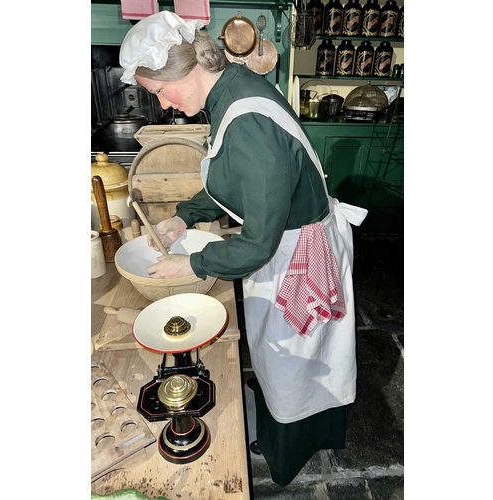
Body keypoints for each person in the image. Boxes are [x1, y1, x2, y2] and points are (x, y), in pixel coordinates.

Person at [119, 11, 367, 487]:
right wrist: (183, 216)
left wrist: (190, 263)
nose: (165, 104)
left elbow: (256, 244)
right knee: (284, 357)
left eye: (158, 91)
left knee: (294, 359)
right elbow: (235, 177)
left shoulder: (246, 118)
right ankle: (280, 428)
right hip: (289, 242)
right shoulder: (231, 89)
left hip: (300, 255)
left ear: (183, 72)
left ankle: (289, 452)